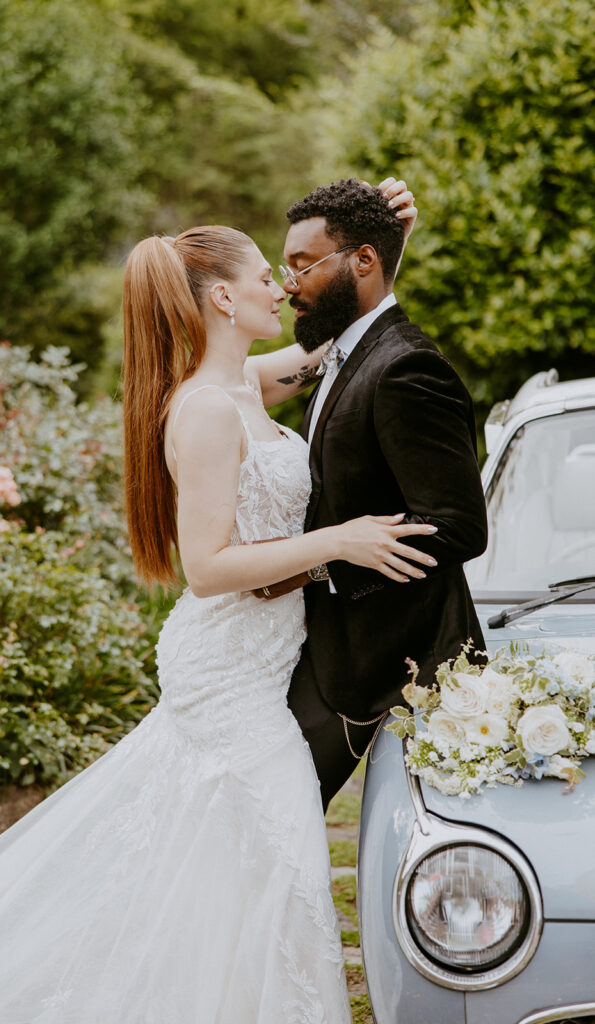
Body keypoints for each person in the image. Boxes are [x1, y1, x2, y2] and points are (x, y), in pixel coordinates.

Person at [0, 190, 432, 1022]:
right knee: (287, 855)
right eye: (268, 276)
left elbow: (345, 341)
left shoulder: (247, 385)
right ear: (222, 297)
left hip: (253, 660)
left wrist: (384, 242)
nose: (282, 288)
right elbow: (206, 566)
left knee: (222, 866)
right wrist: (339, 540)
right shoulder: (201, 410)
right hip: (225, 669)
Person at [257, 178, 488, 810]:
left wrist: (326, 559)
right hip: (333, 655)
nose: (288, 284)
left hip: (397, 665)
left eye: (303, 265)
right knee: (270, 822)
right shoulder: (343, 353)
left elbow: (459, 525)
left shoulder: (408, 368)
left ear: (362, 260)